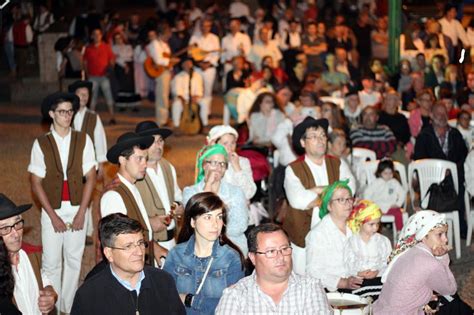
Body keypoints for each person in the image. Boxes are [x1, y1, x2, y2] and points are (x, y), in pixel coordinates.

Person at [28, 92, 97, 313]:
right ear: (51, 114)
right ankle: (53, 306)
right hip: (53, 209)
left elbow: (91, 177)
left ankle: (67, 307)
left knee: (74, 259)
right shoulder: (41, 143)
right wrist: (52, 216)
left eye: (70, 111)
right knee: (51, 262)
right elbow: (36, 182)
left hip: (78, 207)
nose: (67, 116)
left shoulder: (83, 139)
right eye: (62, 112)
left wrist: (82, 213)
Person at [71, 214, 185, 314]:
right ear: (109, 253)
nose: (139, 252)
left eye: (140, 243)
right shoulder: (89, 295)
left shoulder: (163, 281)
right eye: (128, 246)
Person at [283, 117, 356, 275]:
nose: (321, 140)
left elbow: (350, 188)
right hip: (304, 235)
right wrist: (334, 194)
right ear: (303, 143)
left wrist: (317, 191)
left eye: (323, 136)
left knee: (340, 275)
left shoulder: (338, 163)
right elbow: (298, 199)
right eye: (314, 136)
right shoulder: (293, 169)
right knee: (304, 280)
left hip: (336, 233)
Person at [215, 223, 332, 314]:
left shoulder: (310, 288)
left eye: (285, 249)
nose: (281, 257)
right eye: (271, 251)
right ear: (253, 258)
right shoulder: (236, 296)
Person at [163, 192, 245, 314]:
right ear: (193, 222)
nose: (215, 224)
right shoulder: (176, 254)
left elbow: (233, 306)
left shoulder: (231, 257)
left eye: (219, 217)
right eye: (208, 217)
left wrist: (190, 300)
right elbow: (165, 298)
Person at [374, 211, 458, 314]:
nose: (445, 239)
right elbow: (450, 289)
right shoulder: (430, 263)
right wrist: (442, 258)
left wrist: (424, 296)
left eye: (445, 233)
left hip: (380, 310)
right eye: (439, 234)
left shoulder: (408, 250)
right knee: (452, 302)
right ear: (424, 235)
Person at [100, 132, 164, 265]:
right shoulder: (114, 195)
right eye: (139, 159)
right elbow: (119, 245)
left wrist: (154, 248)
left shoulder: (132, 186)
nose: (145, 164)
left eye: (145, 159)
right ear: (123, 160)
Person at [414, 103, 468, 236]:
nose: (442, 116)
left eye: (445, 113)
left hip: (454, 179)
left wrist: (452, 169)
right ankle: (431, 229)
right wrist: (438, 171)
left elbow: (463, 157)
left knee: (460, 181)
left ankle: (460, 226)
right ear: (431, 115)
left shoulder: (455, 134)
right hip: (431, 181)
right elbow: (419, 159)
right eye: (438, 113)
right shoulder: (424, 136)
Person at [183, 144, 249, 254]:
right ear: (204, 165)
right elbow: (193, 224)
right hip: (201, 251)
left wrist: (208, 228)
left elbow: (240, 226)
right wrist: (208, 186)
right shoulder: (190, 192)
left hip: (233, 249)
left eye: (222, 164)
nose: (218, 167)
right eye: (213, 163)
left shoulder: (236, 192)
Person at [0, 194, 57, 314]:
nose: (16, 234)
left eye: (18, 223)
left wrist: (49, 291)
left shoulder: (29, 256)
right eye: (5, 228)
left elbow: (41, 276)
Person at [135, 121, 184, 256]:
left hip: (171, 240)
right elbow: (126, 212)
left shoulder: (168, 167)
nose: (158, 145)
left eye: (161, 140)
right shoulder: (134, 173)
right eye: (153, 141)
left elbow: (177, 196)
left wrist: (180, 207)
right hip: (147, 243)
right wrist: (147, 222)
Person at [306, 180, 363, 291]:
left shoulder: (355, 227)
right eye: (341, 199)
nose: (348, 203)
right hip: (331, 290)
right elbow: (313, 272)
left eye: (349, 199)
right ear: (329, 206)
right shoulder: (318, 234)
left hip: (354, 283)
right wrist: (343, 282)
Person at [343, 199, 392, 298]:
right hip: (359, 280)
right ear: (360, 223)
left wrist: (377, 271)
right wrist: (358, 272)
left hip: (378, 279)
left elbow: (387, 262)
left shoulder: (383, 241)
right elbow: (347, 263)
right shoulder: (352, 241)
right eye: (371, 224)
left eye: (377, 224)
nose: (375, 228)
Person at [206, 125, 256, 201]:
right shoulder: (209, 164)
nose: (230, 147)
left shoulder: (243, 162)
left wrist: (237, 168)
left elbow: (249, 193)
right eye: (225, 143)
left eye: (233, 143)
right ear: (214, 145)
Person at [189, 18, 220, 127]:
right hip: (198, 67)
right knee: (196, 90)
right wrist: (200, 63)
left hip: (209, 67)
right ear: (200, 26)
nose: (205, 28)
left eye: (207, 26)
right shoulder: (194, 37)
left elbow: (216, 54)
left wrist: (208, 63)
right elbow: (191, 53)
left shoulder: (214, 38)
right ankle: (195, 111)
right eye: (203, 25)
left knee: (207, 91)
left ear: (210, 27)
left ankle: (207, 112)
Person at [83, 28, 116, 125]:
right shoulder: (88, 48)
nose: (97, 36)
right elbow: (85, 62)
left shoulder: (106, 47)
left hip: (104, 76)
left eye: (99, 34)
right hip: (93, 77)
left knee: (108, 96)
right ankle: (90, 120)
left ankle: (112, 117)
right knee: (92, 98)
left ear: (101, 36)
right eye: (95, 34)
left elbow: (112, 59)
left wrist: (110, 69)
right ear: (92, 36)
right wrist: (87, 74)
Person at [147, 27, 180, 126]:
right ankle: (161, 120)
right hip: (161, 72)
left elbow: (166, 58)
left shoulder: (165, 44)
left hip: (167, 71)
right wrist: (171, 61)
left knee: (165, 96)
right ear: (162, 34)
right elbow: (158, 60)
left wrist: (171, 64)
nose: (169, 37)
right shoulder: (155, 44)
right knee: (162, 96)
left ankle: (165, 118)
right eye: (167, 35)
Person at [363, 159, 407, 231]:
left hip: (390, 206)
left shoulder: (394, 182)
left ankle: (399, 231)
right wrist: (370, 204)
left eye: (390, 173)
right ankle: (375, 231)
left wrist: (398, 204)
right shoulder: (376, 183)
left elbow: (402, 193)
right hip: (378, 207)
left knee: (398, 213)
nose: (388, 175)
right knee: (372, 216)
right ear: (380, 173)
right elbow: (367, 193)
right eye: (385, 173)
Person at [170, 57, 206, 128]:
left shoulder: (197, 76)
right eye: (186, 64)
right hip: (183, 98)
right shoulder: (178, 77)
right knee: (176, 104)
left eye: (190, 63)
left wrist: (196, 97)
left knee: (204, 102)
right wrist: (183, 100)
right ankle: (176, 126)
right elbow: (177, 91)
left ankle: (204, 124)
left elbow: (199, 89)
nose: (189, 65)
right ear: (183, 66)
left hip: (194, 98)